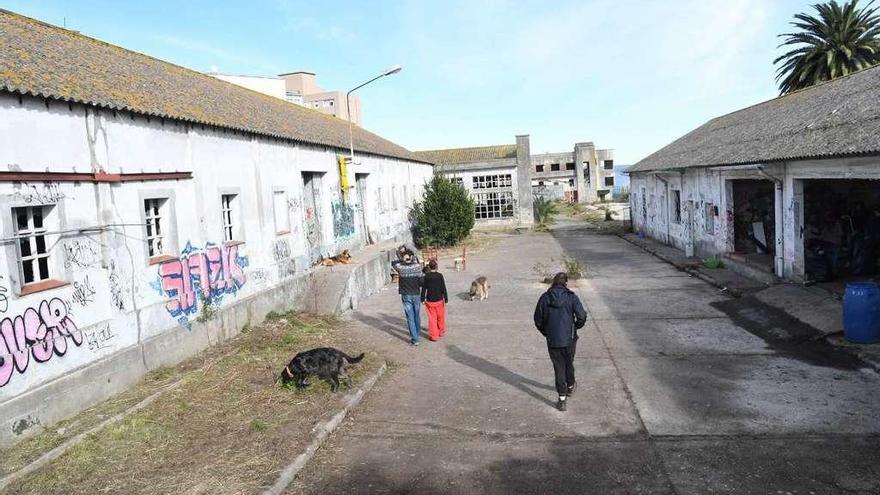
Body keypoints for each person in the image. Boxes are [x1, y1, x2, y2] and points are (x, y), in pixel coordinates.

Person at [533, 272, 587, 412]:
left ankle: (562, 399)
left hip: (553, 340)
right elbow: (582, 316)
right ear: (565, 283)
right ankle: (570, 386)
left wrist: (547, 332)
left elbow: (538, 319)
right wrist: (576, 326)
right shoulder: (571, 297)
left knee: (559, 368)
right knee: (569, 363)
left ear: (553, 282)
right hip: (569, 339)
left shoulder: (545, 298)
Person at [392, 251, 424, 346]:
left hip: (406, 295)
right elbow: (422, 279)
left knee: (410, 317)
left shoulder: (400, 268)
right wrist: (412, 258)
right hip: (416, 294)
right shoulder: (417, 267)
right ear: (412, 257)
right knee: (416, 315)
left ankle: (415, 339)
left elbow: (393, 262)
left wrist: (402, 258)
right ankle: (417, 333)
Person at [421, 259, 448, 341]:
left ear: (429, 267)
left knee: (432, 319)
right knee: (440, 317)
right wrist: (446, 298)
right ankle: (441, 331)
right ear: (436, 267)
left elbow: (424, 288)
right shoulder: (440, 276)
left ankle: (434, 336)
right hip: (439, 300)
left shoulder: (426, 277)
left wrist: (422, 298)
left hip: (430, 301)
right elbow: (443, 287)